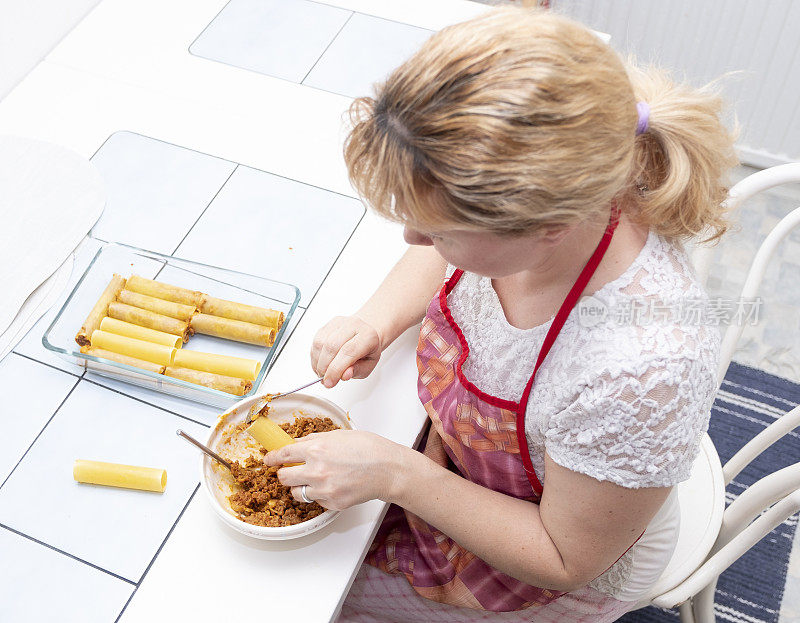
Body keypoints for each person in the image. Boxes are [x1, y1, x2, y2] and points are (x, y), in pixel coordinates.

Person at [262, 6, 738, 622]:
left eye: (439, 232)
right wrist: (377, 319)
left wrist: (399, 475)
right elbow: (448, 257)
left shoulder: (640, 370)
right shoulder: (565, 189)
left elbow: (566, 556)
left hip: (558, 554)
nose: (411, 240)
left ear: (545, 228)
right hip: (471, 470)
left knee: (307, 595)